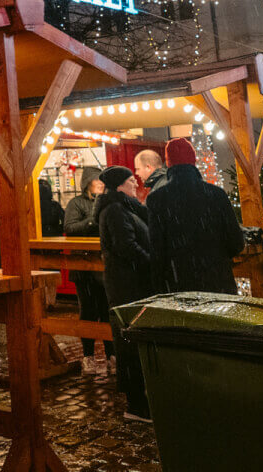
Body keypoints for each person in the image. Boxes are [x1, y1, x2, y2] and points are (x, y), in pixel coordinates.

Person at [146, 137, 244, 294]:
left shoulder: (157, 199)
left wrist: (159, 288)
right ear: (194, 161)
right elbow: (237, 242)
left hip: (180, 284)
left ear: (168, 163)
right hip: (219, 282)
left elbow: (157, 251)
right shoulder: (216, 194)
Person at [96, 165, 154, 422]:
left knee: (132, 340)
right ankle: (135, 403)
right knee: (128, 342)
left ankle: (140, 398)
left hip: (132, 284)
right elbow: (126, 246)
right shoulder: (116, 210)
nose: (135, 184)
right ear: (120, 185)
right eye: (131, 181)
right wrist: (151, 262)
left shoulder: (125, 208)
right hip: (126, 286)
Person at [63, 174, 113, 370]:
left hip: (104, 264)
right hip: (83, 267)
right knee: (88, 311)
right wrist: (92, 220)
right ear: (87, 183)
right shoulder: (76, 204)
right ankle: (88, 356)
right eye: (96, 179)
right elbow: (69, 227)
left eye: (102, 180)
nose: (100, 183)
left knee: (107, 311)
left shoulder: (107, 201)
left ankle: (112, 355)